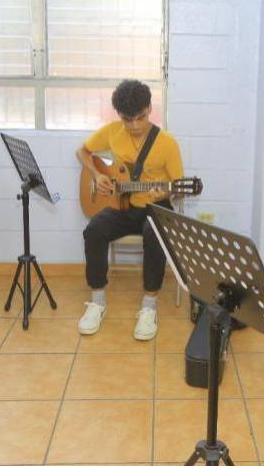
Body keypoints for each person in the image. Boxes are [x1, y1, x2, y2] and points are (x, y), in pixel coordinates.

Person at [76, 79, 183, 341]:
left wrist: (167, 191)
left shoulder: (167, 143)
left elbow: (179, 186)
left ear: (149, 109)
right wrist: (97, 174)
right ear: (119, 116)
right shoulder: (112, 132)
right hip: (123, 205)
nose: (135, 126)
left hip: (156, 206)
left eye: (141, 117)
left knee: (154, 233)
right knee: (94, 230)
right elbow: (82, 151)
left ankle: (149, 306)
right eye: (128, 119)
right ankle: (97, 302)